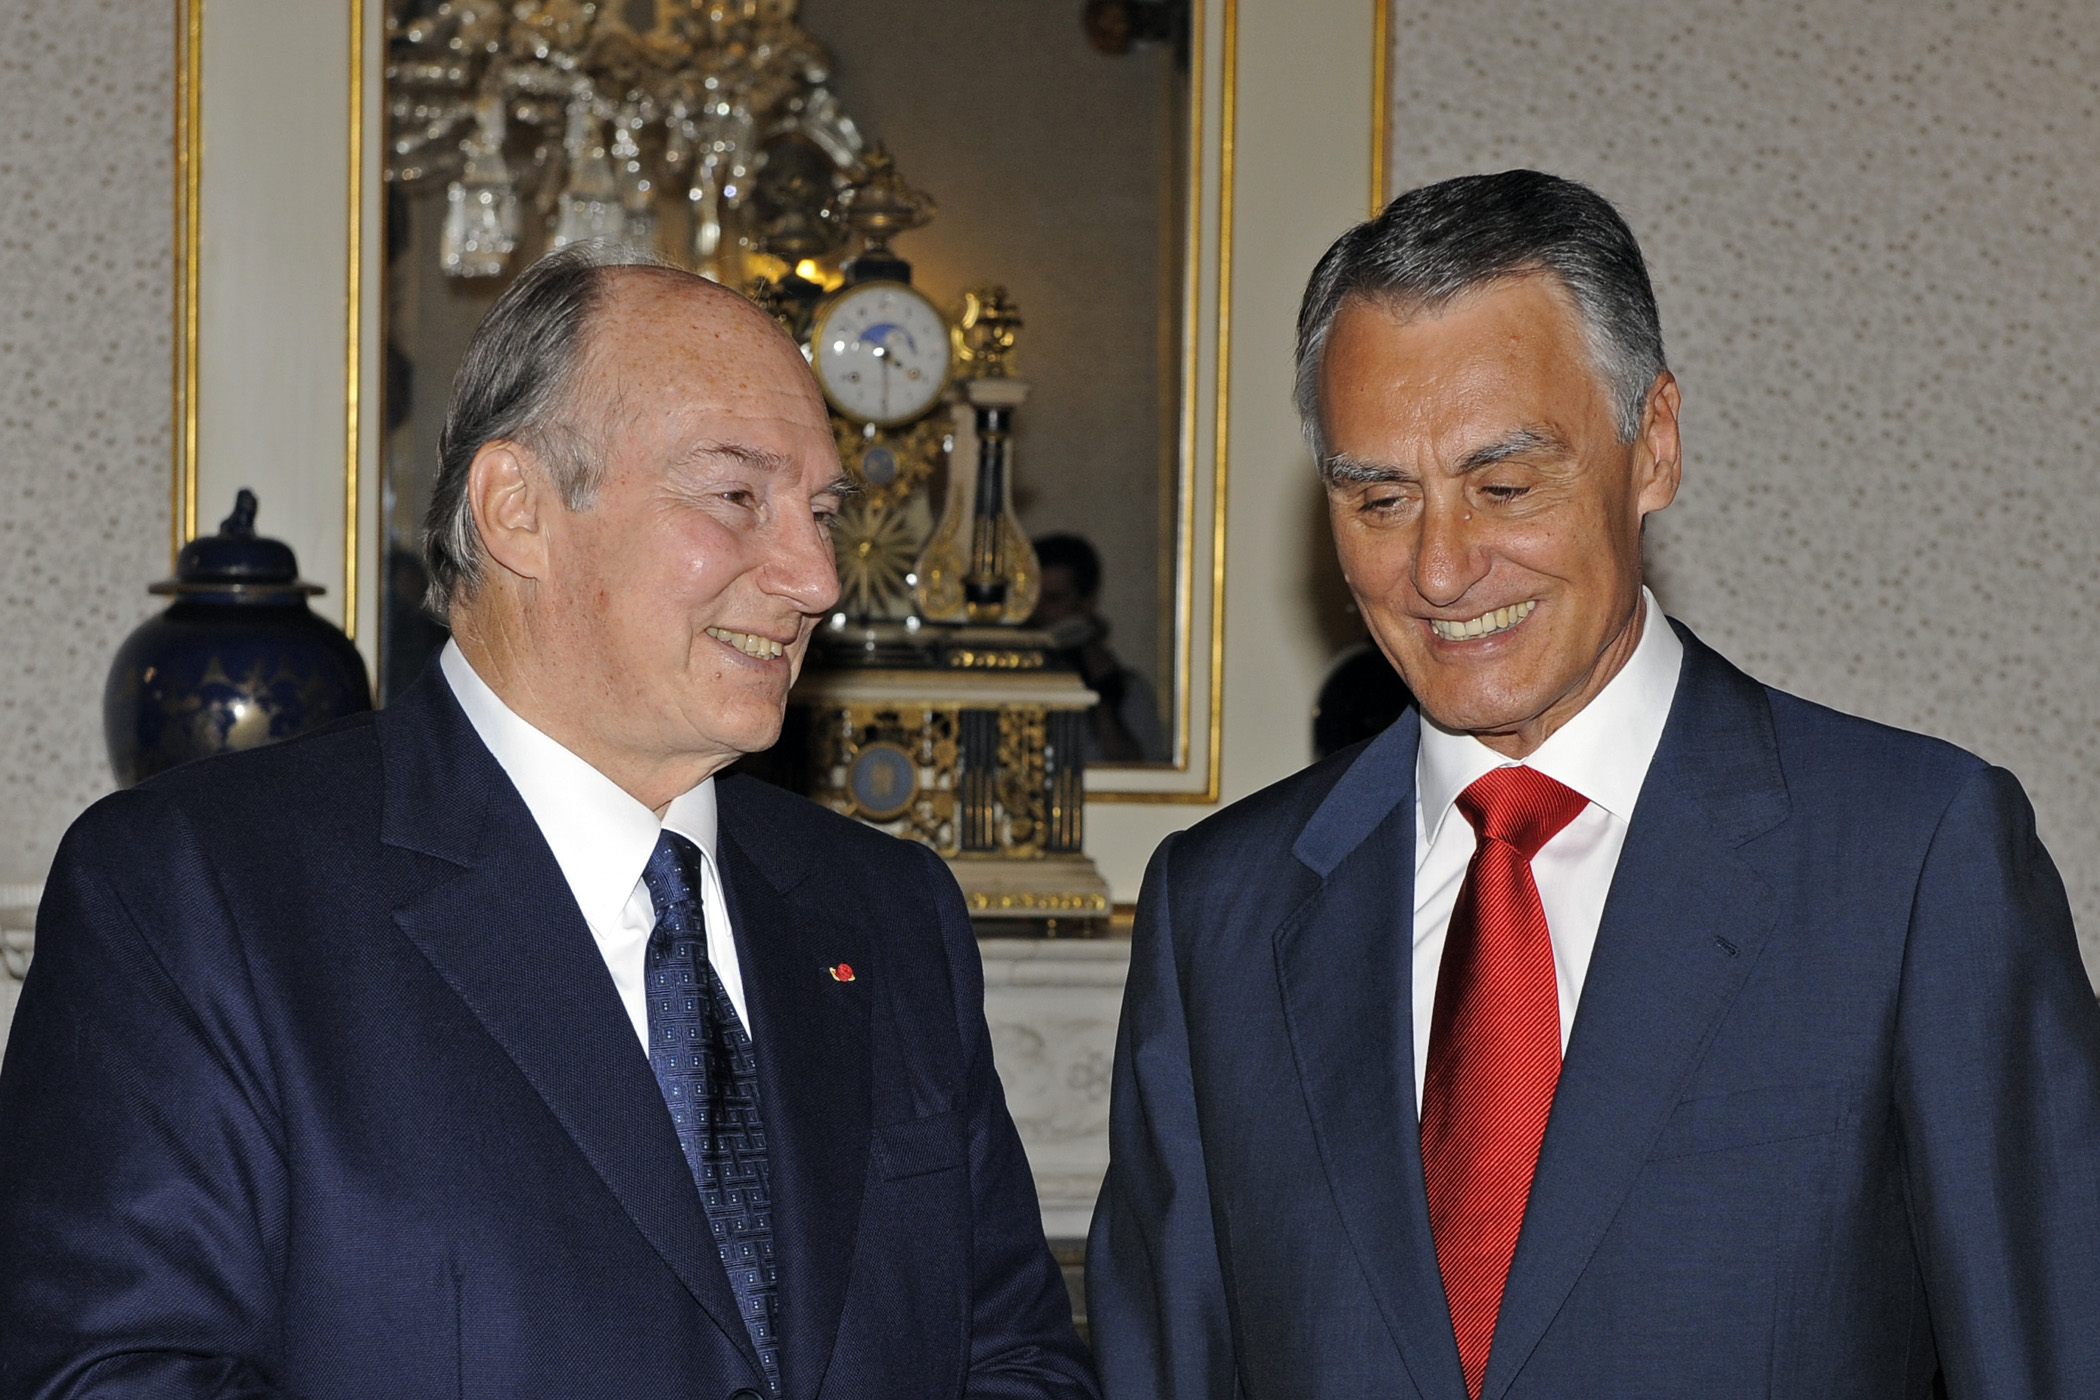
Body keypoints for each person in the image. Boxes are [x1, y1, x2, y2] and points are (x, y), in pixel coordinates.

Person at [0, 245, 1098, 1400]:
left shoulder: (889, 912)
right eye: (737, 497)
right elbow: (109, 1375)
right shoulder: (197, 894)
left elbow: (1017, 1358)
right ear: (518, 508)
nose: (818, 575)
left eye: (822, 510)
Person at [1086, 170, 2100, 1399]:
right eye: (1379, 499)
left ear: (1653, 445)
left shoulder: (1912, 858)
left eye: (1505, 486)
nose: (1442, 567)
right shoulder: (1220, 913)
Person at [1029, 533, 1170, 764]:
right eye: (1032, 599)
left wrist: (1104, 695)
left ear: (1087, 603)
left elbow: (1139, 774)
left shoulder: (1130, 691)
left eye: (1053, 599)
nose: (1040, 611)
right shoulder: (1007, 680)